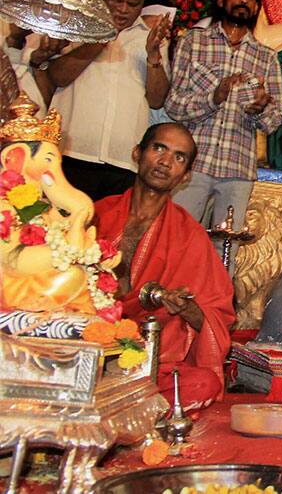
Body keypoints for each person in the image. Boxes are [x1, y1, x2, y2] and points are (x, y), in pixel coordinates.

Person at [92, 123, 235, 412]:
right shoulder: (97, 213)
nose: (166, 162)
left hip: (148, 360)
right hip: (90, 345)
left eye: (179, 157)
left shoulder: (189, 235)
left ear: (186, 175)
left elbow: (215, 316)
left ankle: (115, 405)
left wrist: (183, 306)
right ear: (137, 153)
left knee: (203, 383)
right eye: (159, 148)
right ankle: (132, 408)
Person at [165, 0, 282, 263]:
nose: (243, 0)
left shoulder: (266, 57)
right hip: (193, 164)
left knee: (224, 253)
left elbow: (275, 120)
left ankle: (211, 309)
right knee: (175, 239)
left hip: (237, 170)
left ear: (256, 8)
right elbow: (173, 105)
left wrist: (261, 109)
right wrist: (213, 98)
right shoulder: (194, 42)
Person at [48, 0, 171, 201]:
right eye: (117, 0)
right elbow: (57, 76)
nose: (124, 9)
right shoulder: (74, 21)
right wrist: (103, 35)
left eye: (133, 3)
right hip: (71, 153)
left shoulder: (150, 37)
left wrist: (153, 58)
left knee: (108, 236)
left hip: (123, 161)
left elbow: (157, 100)